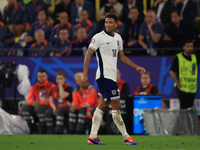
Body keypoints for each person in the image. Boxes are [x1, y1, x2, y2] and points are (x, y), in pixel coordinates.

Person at [82, 14, 145, 145]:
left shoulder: (118, 38)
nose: (108, 25)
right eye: (106, 22)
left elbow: (121, 56)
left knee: (102, 106)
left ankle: (92, 137)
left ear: (116, 24)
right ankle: (127, 137)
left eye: (111, 22)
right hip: (104, 77)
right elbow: (88, 54)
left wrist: (135, 67)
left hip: (111, 78)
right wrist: (84, 75)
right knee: (116, 104)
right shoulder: (98, 37)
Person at [21, 69, 55, 134]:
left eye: (43, 76)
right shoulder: (33, 87)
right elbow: (29, 99)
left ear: (46, 76)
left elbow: (52, 99)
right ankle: (32, 127)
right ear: (37, 77)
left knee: (39, 107)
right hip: (36, 106)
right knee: (24, 107)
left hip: (48, 106)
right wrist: (32, 103)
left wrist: (40, 102)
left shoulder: (52, 86)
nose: (41, 78)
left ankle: (43, 127)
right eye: (39, 76)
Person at [170, 40, 200, 109]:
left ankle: (189, 120)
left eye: (191, 46)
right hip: (182, 86)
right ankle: (183, 120)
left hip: (192, 87)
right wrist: (177, 82)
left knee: (190, 107)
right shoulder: (178, 57)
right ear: (184, 47)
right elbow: (172, 71)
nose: (189, 48)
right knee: (184, 106)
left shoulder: (195, 57)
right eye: (188, 46)